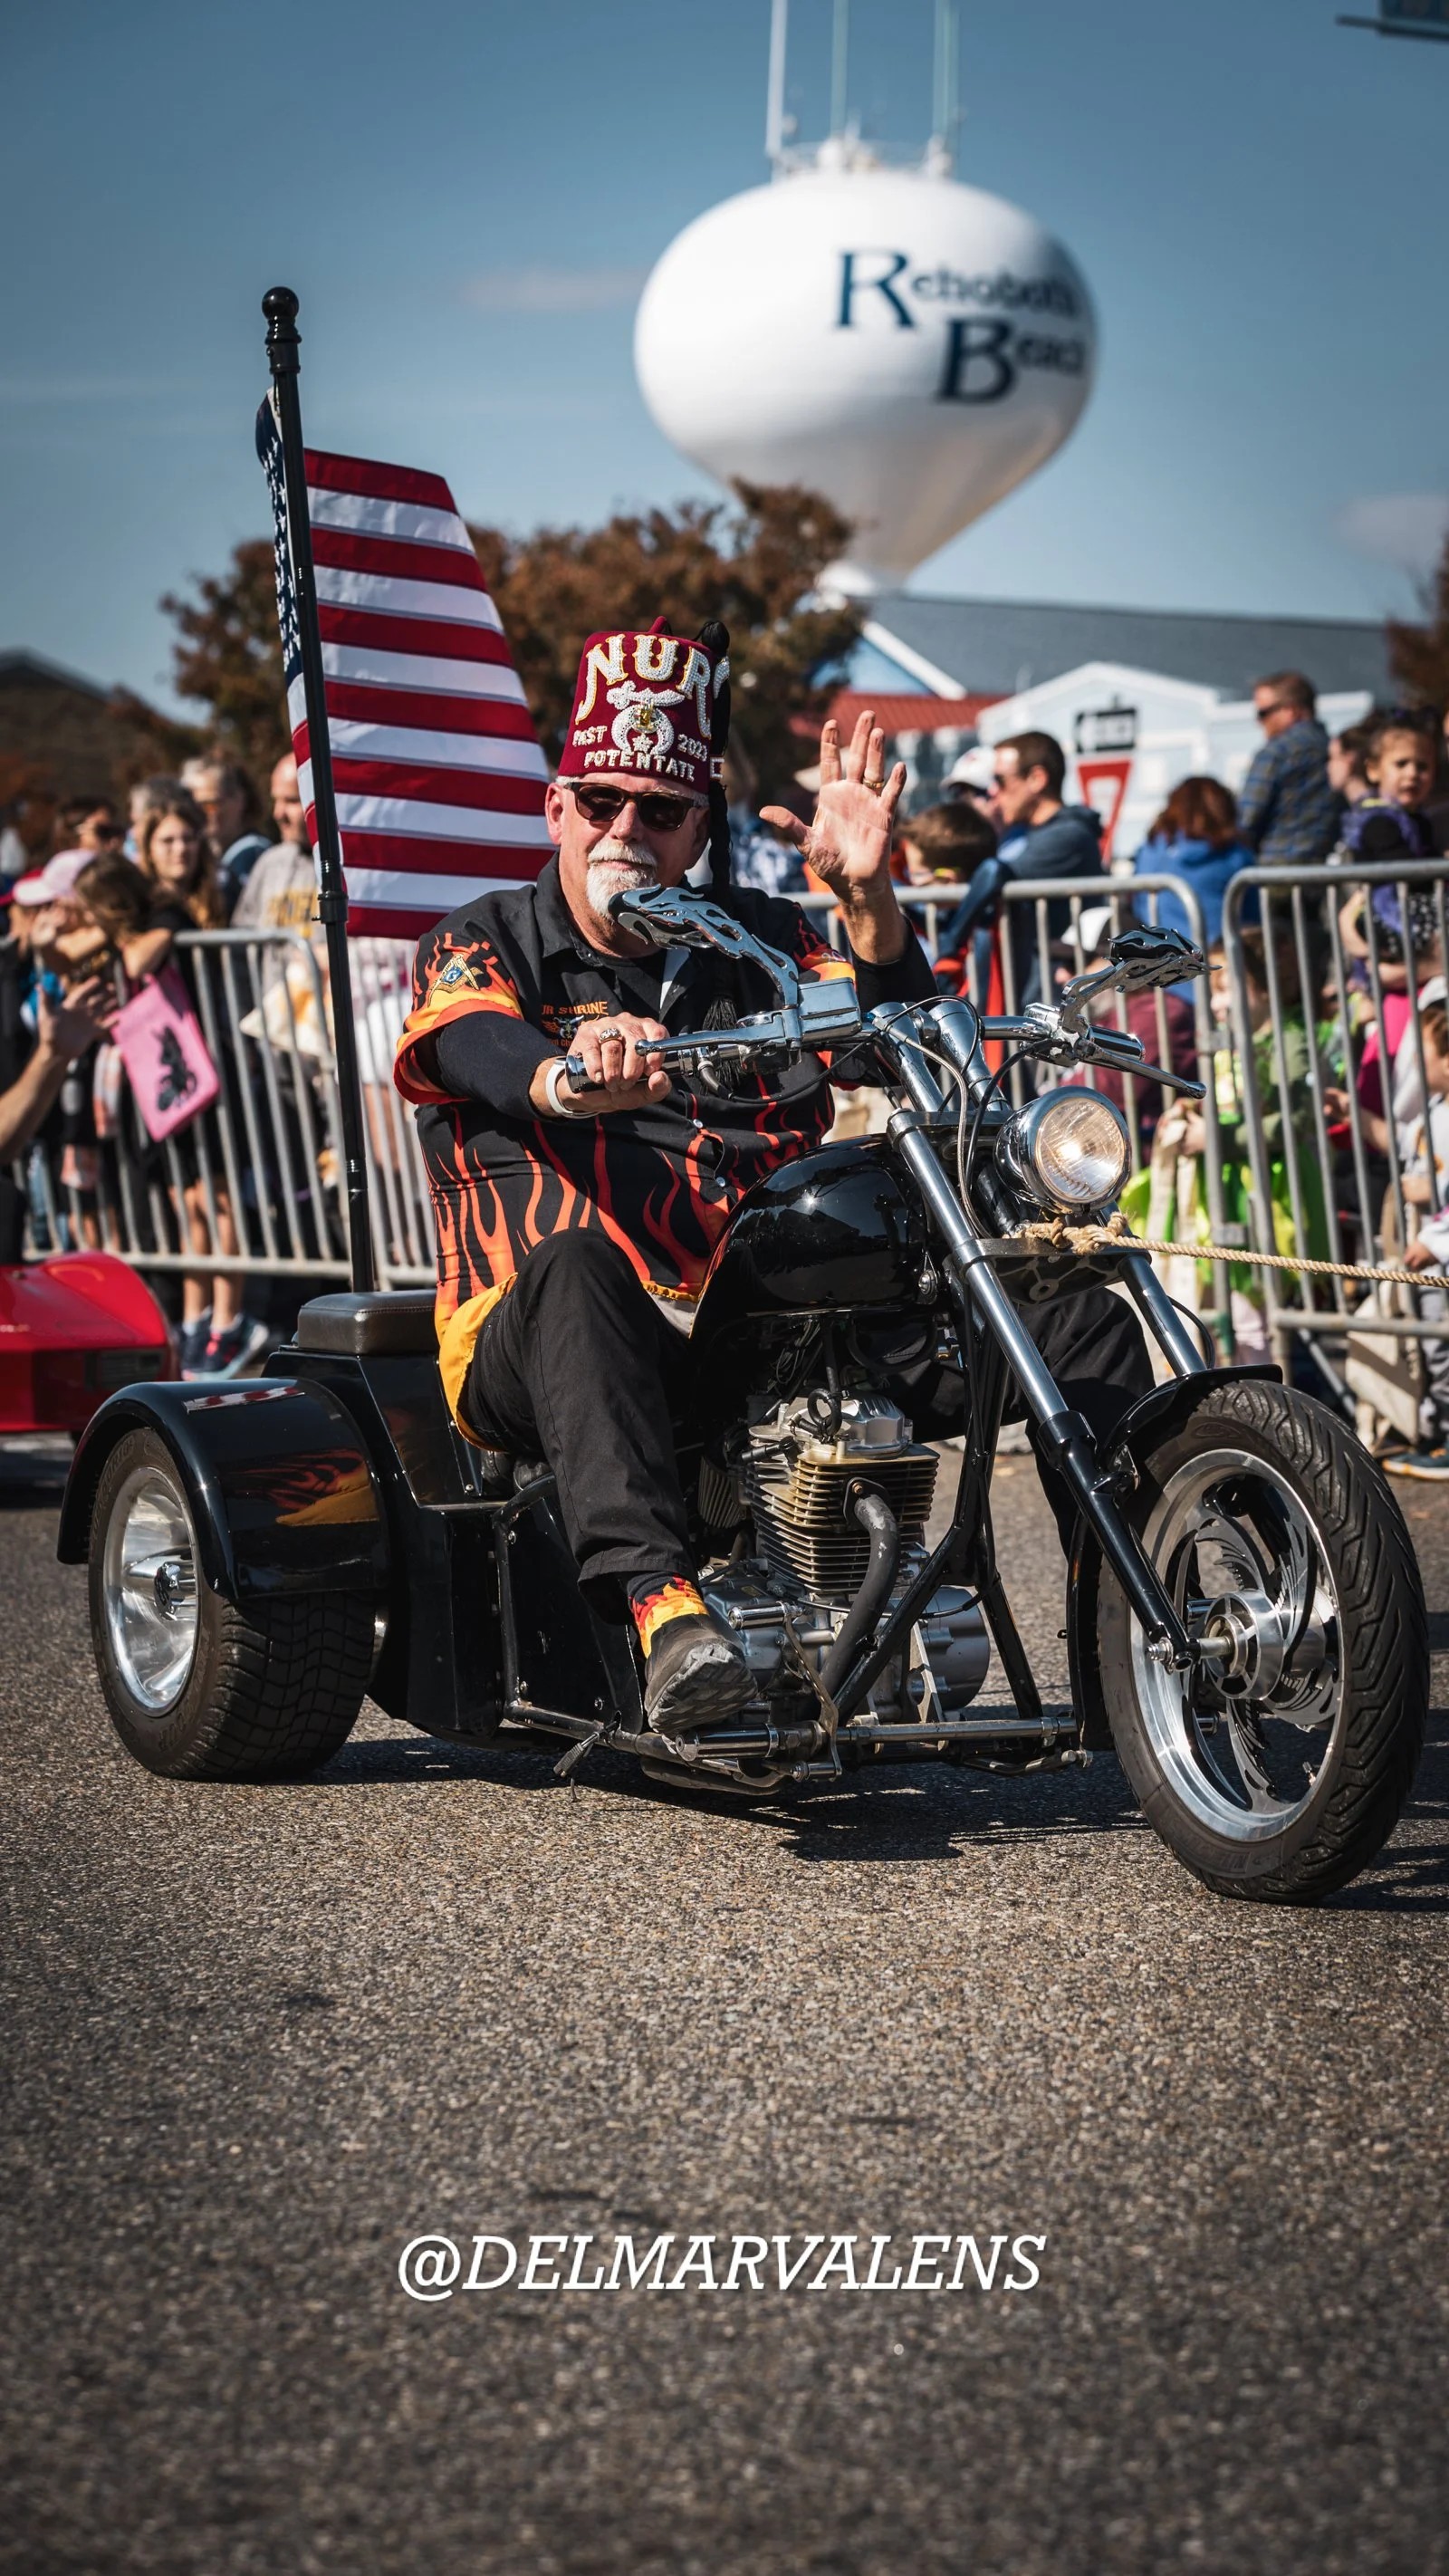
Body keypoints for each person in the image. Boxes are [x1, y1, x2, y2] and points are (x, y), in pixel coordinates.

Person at [394, 626, 1152, 1741]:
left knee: (1070, 1305)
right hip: (554, 1334)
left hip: (760, 1326)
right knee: (577, 1267)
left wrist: (866, 894)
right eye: (601, 801)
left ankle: (1132, 1620)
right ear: (557, 806)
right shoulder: (485, 940)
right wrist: (568, 1074)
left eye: (659, 810)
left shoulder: (758, 938)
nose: (625, 832)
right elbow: (470, 1048)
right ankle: (666, 1617)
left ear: (702, 825)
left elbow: (904, 1031)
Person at [131, 797, 267, 1378]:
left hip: (215, 1065)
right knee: (188, 1199)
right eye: (167, 840)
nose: (179, 849)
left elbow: (141, 954)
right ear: (148, 847)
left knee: (217, 1196)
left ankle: (226, 1323)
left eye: (188, 839)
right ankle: (195, 1322)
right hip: (173, 1072)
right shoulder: (154, 903)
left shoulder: (183, 909)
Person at [936, 730, 1104, 1010]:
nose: (993, 791)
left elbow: (996, 873)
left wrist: (950, 950)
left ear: (1036, 779)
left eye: (1000, 780)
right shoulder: (1028, 833)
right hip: (1033, 990)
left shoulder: (1069, 835)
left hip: (1053, 999)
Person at [1391, 994, 1449, 1480]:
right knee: (1435, 1345)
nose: (1413, 1063)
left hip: (1440, 1246)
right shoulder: (1432, 1109)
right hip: (1433, 1245)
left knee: (1443, 1343)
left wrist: (1437, 1238)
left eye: (1423, 1054)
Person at [1130, 774, 1252, 961]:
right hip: (1223, 971)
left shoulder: (1151, 848)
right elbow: (1253, 918)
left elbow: (1139, 906)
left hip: (1161, 975)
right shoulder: (1237, 855)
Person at [1237, 673, 1338, 867]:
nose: (1258, 722)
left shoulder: (1276, 752)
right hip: (1321, 874)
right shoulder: (1334, 750)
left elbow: (1247, 818)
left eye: (1263, 713)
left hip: (1274, 872)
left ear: (1290, 710)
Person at [230, 754, 319, 937]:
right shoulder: (269, 864)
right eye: (276, 800)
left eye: (292, 801)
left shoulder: (351, 868)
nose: (278, 813)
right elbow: (241, 939)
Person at [188, 756, 271, 916]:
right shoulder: (213, 853)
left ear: (238, 800)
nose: (201, 815)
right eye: (195, 807)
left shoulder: (251, 853)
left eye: (210, 805)